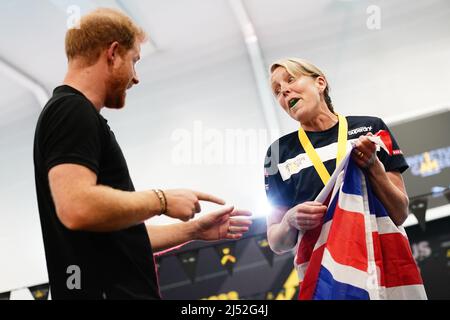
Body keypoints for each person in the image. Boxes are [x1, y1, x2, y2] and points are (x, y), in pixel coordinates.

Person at [33, 8, 252, 300]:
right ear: (112, 53)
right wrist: (161, 200)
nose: (136, 78)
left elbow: (119, 237)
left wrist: (193, 231)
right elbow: (76, 207)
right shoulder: (71, 111)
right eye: (134, 61)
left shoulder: (75, 114)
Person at [264, 58, 410, 254]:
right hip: (325, 275)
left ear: (320, 83)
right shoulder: (277, 153)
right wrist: (290, 220)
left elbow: (400, 213)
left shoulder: (371, 128)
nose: (283, 91)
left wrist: (373, 165)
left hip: (382, 260)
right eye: (277, 90)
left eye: (290, 79)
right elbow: (276, 243)